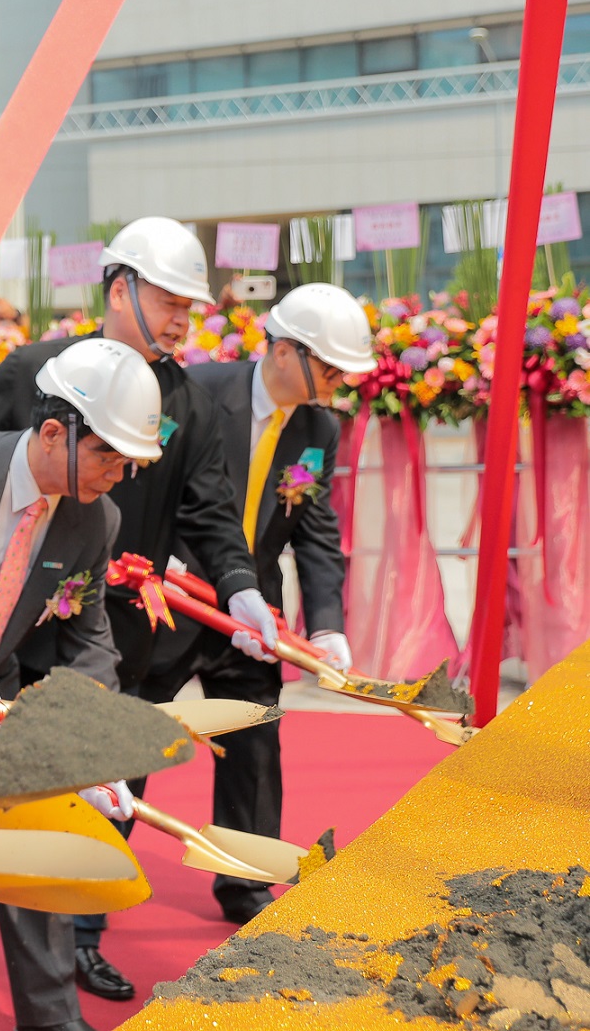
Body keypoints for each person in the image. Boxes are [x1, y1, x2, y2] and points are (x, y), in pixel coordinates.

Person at [0, 216, 273, 1003]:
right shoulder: (35, 370)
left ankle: (80, 941)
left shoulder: (191, 404)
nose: (179, 320)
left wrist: (239, 589)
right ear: (118, 287)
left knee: (107, 797)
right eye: (167, 299)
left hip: (114, 640)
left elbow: (211, 512)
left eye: (189, 308)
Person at [0, 338, 165, 1031]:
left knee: (40, 830)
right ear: (52, 432)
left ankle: (51, 1015)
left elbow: (88, 642)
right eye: (108, 454)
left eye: (129, 460)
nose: (120, 474)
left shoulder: (93, 518)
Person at [173, 282, 371, 923]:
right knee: (132, 739)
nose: (337, 381)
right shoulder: (197, 390)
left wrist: (329, 626)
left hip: (251, 614)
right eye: (330, 366)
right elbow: (149, 484)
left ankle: (246, 882)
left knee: (254, 742)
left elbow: (313, 530)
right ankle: (84, 917)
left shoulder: (319, 427)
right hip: (173, 596)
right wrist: (162, 556)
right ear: (285, 350)